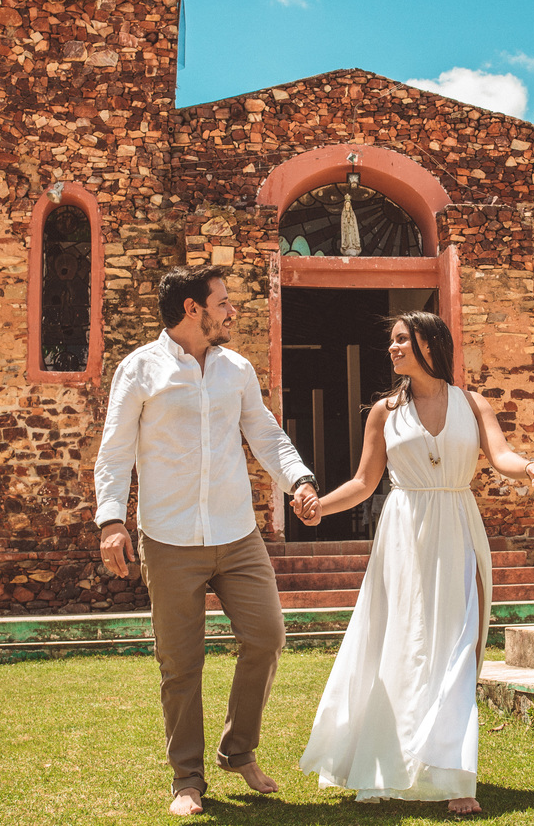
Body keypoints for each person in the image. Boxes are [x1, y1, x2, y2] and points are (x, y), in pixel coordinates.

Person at [296, 311, 534, 815]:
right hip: (405, 533)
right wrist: (320, 505)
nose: (392, 349)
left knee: (461, 642)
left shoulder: (472, 405)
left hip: (458, 522)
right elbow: (366, 482)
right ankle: (392, 762)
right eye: (391, 341)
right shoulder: (384, 413)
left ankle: (457, 778)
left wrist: (529, 469)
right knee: (405, 646)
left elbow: (499, 456)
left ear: (431, 344)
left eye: (402, 340)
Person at [93, 264, 322, 816]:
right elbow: (116, 450)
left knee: (267, 637)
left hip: (236, 532)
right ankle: (187, 780)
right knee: (181, 662)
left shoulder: (236, 369)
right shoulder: (139, 369)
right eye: (222, 302)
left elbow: (265, 433)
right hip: (168, 536)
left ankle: (238, 750)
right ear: (193, 309)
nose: (231, 310)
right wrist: (110, 521)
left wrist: (300, 480)